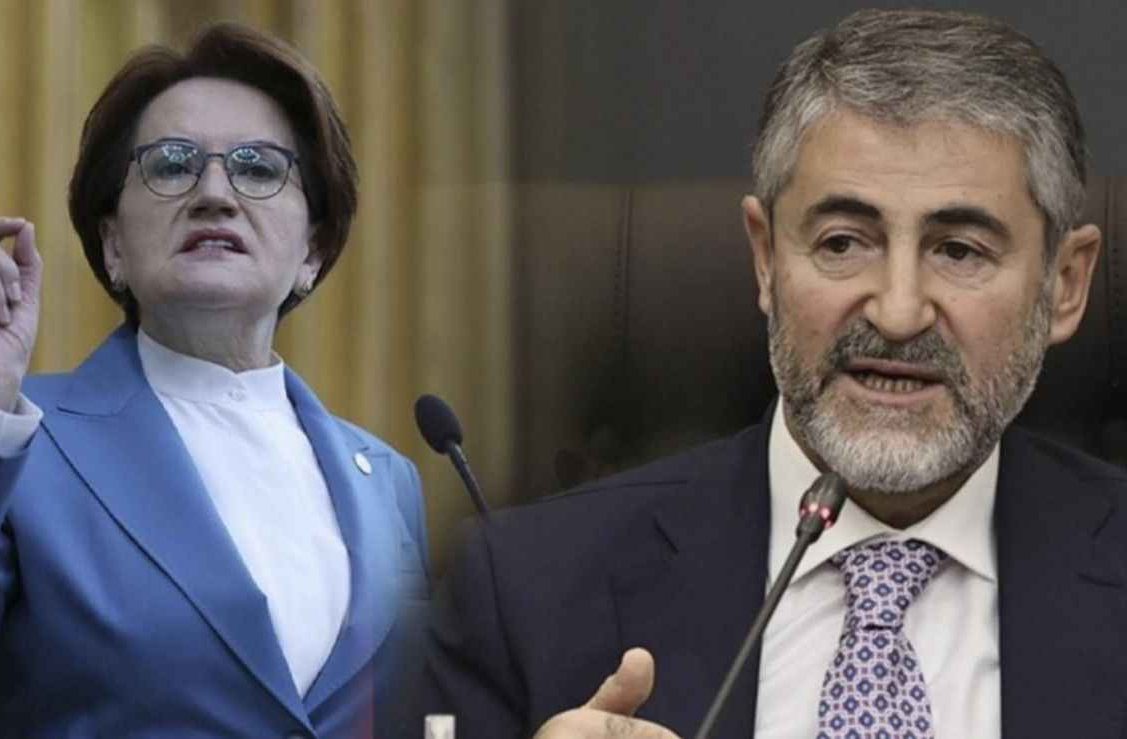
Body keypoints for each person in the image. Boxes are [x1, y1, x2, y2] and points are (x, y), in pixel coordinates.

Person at [423, 9, 1126, 739]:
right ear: (765, 259)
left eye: (959, 251)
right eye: (843, 242)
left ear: (1065, 284)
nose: (897, 312)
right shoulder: (520, 593)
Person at [0, 23, 429, 738]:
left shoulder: (388, 482)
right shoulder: (19, 444)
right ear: (114, 244)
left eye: (257, 169)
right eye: (172, 164)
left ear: (313, 250)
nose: (214, 193)